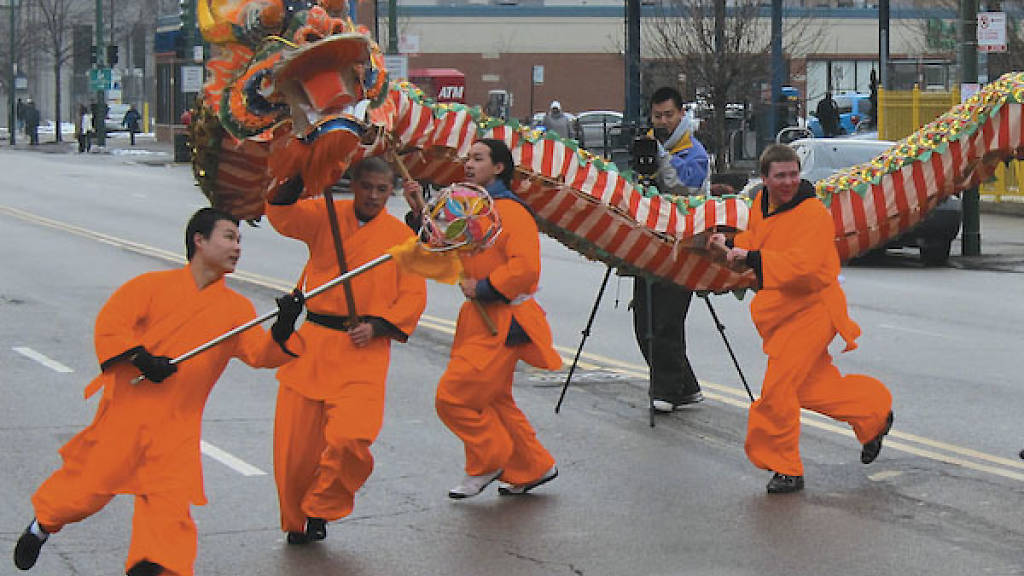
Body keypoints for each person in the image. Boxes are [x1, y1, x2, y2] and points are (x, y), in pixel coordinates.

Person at [13, 207, 306, 575]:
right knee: (83, 495)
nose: (237, 247)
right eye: (229, 237)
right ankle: (42, 524)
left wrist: (283, 327)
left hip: (177, 430)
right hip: (127, 420)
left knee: (168, 514)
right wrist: (140, 358)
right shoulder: (151, 287)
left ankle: (153, 567)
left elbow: (260, 354)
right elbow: (111, 324)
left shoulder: (236, 309)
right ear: (199, 240)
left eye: (239, 240)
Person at [708, 144, 893, 494]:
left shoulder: (813, 215)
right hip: (783, 314)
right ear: (765, 179)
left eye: (793, 174)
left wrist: (749, 256)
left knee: (777, 393)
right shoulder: (762, 207)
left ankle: (785, 468)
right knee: (810, 389)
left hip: (814, 311)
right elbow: (759, 243)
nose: (788, 182)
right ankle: (873, 412)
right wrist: (729, 242)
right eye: (780, 176)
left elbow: (804, 268)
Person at [264, 157, 427, 545]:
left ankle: (321, 505)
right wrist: (307, 168)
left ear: (391, 193)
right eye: (366, 186)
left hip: (364, 352)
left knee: (351, 441)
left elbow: (413, 296)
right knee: (295, 455)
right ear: (353, 185)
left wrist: (377, 326)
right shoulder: (324, 214)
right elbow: (282, 214)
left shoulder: (402, 239)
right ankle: (300, 520)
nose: (372, 196)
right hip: (313, 345)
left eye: (381, 190)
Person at [404, 139, 561, 499]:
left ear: (499, 167)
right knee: (492, 399)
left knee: (454, 397)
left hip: (505, 320)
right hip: (480, 320)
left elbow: (525, 268)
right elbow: (444, 244)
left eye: (478, 159)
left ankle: (488, 461)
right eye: (468, 158)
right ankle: (532, 466)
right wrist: (418, 213)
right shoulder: (475, 209)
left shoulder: (513, 212)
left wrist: (486, 287)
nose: (469, 164)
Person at [633, 86, 709, 414]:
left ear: (681, 114)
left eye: (669, 115)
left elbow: (686, 189)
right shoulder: (649, 145)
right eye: (657, 115)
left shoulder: (693, 151)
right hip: (650, 245)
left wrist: (661, 159)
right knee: (644, 320)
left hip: (685, 247)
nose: (663, 121)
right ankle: (685, 386)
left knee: (666, 321)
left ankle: (664, 390)